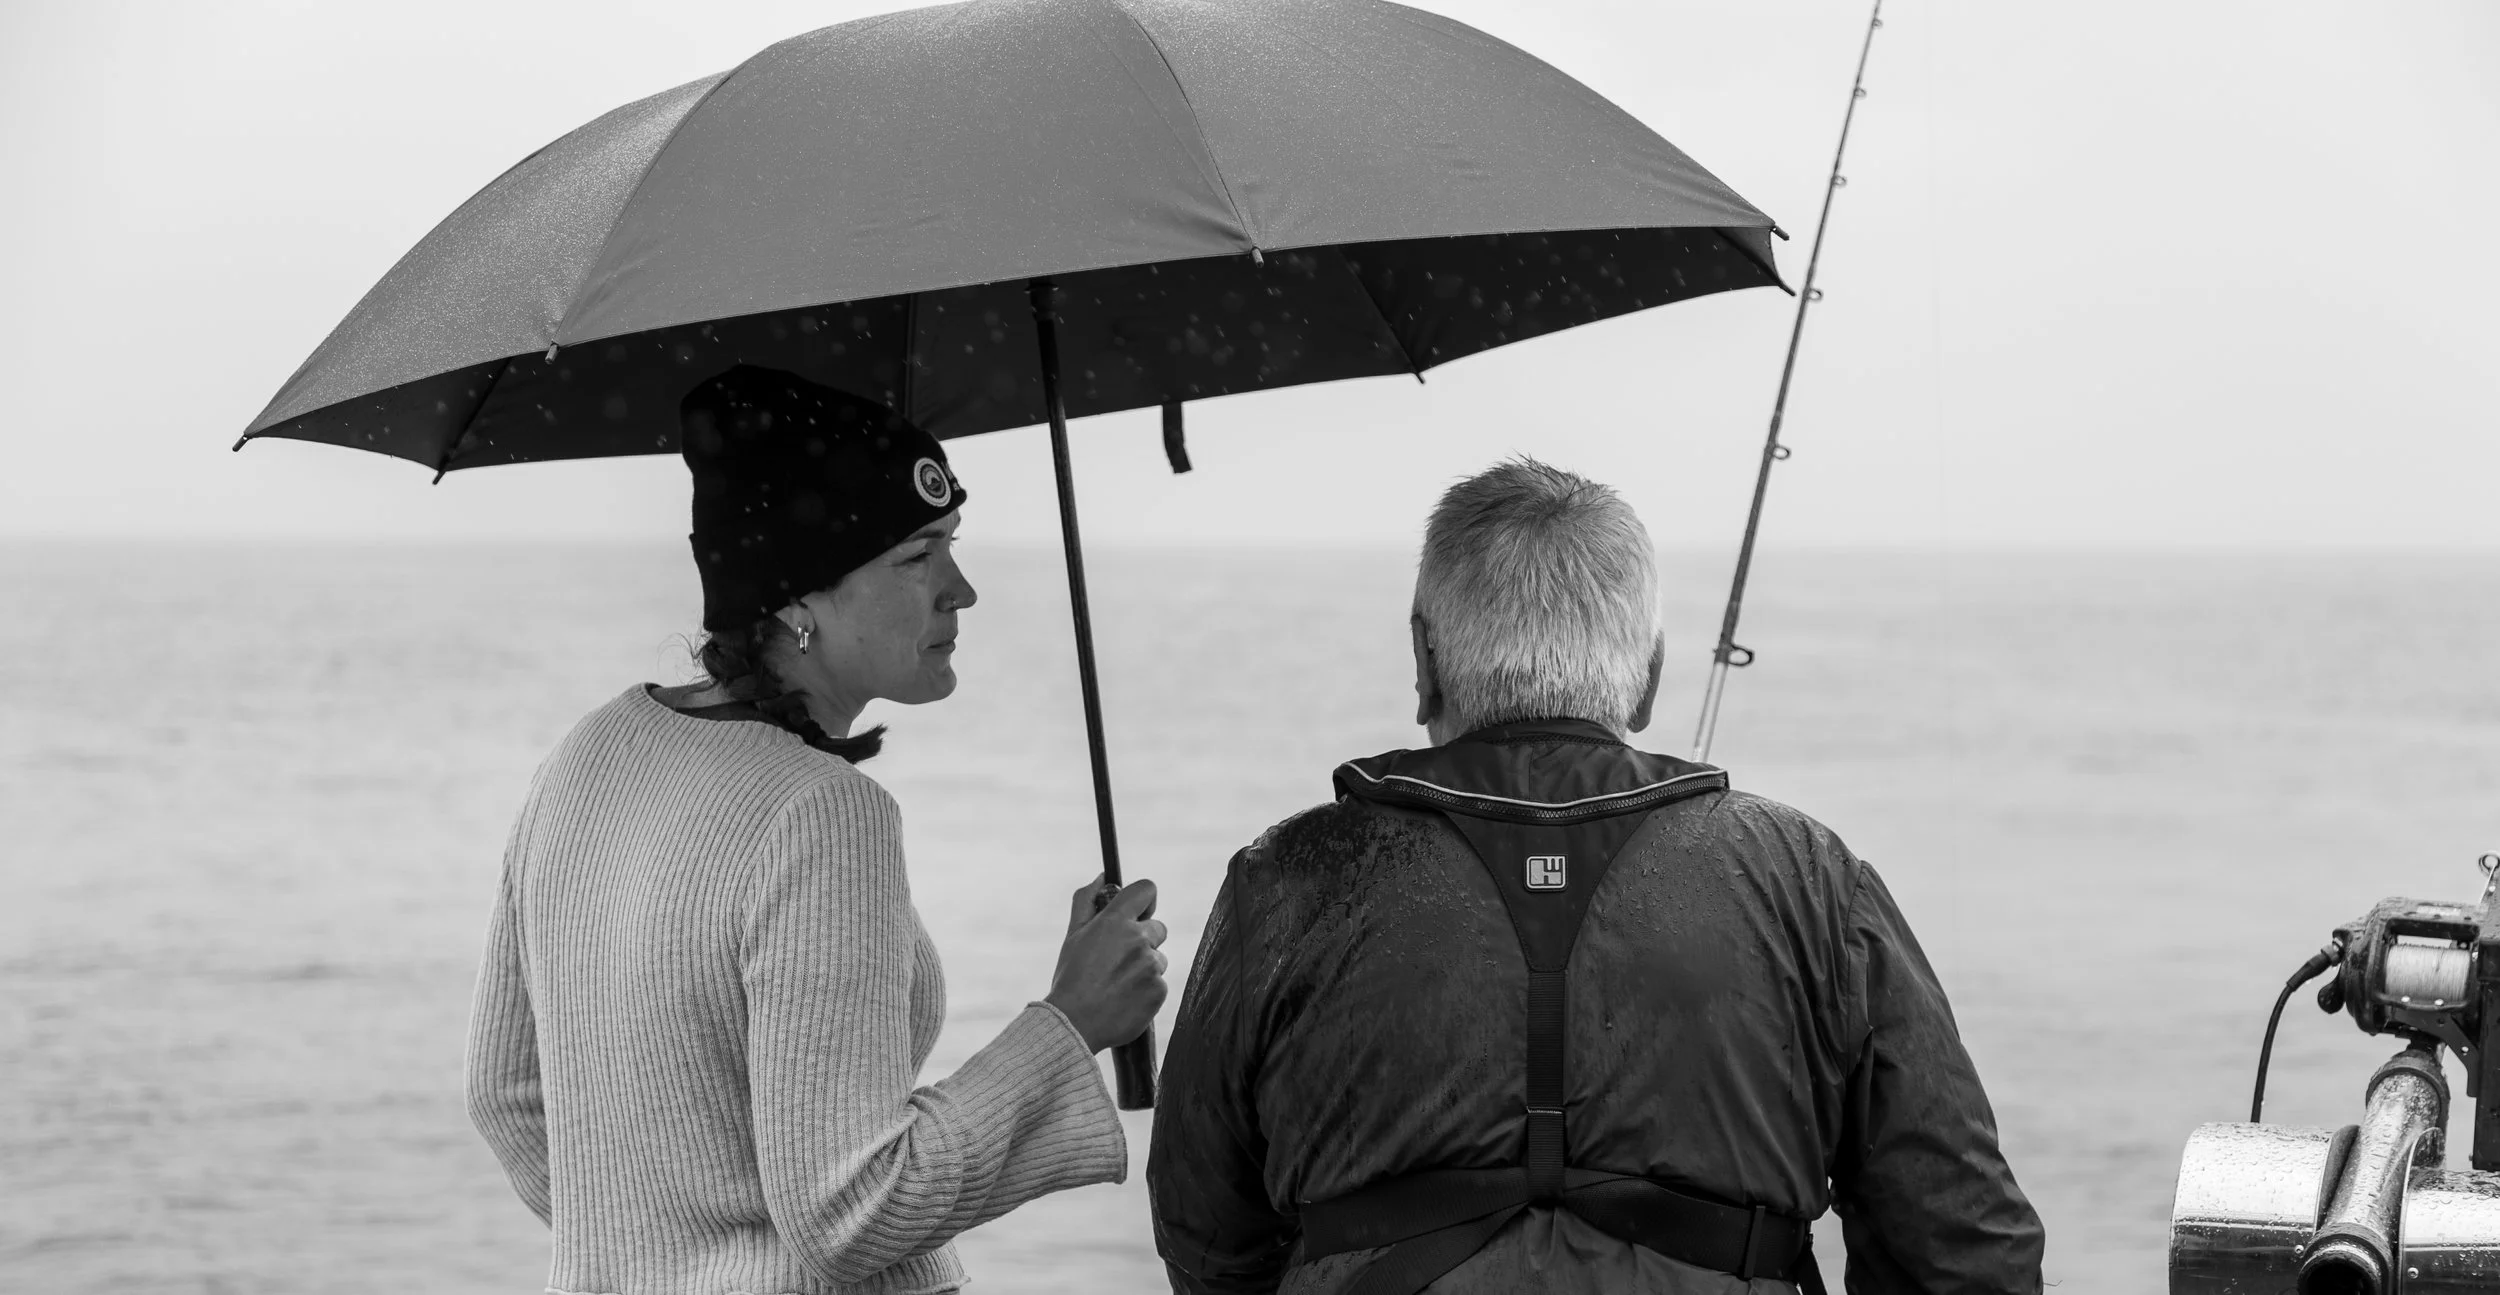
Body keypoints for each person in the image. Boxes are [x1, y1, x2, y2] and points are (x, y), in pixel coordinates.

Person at [1147, 459, 2043, 1294]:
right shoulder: (1811, 881)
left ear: (1423, 663)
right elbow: (1960, 1241)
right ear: (1648, 677)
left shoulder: (1285, 882)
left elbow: (1205, 1233)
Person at [465, 365, 1168, 1295]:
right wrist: (1071, 1022)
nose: (961, 589)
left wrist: (669, 1250)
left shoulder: (587, 754)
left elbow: (507, 1095)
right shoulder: (822, 815)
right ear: (796, 602)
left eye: (951, 544)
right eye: (916, 559)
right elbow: (852, 1208)